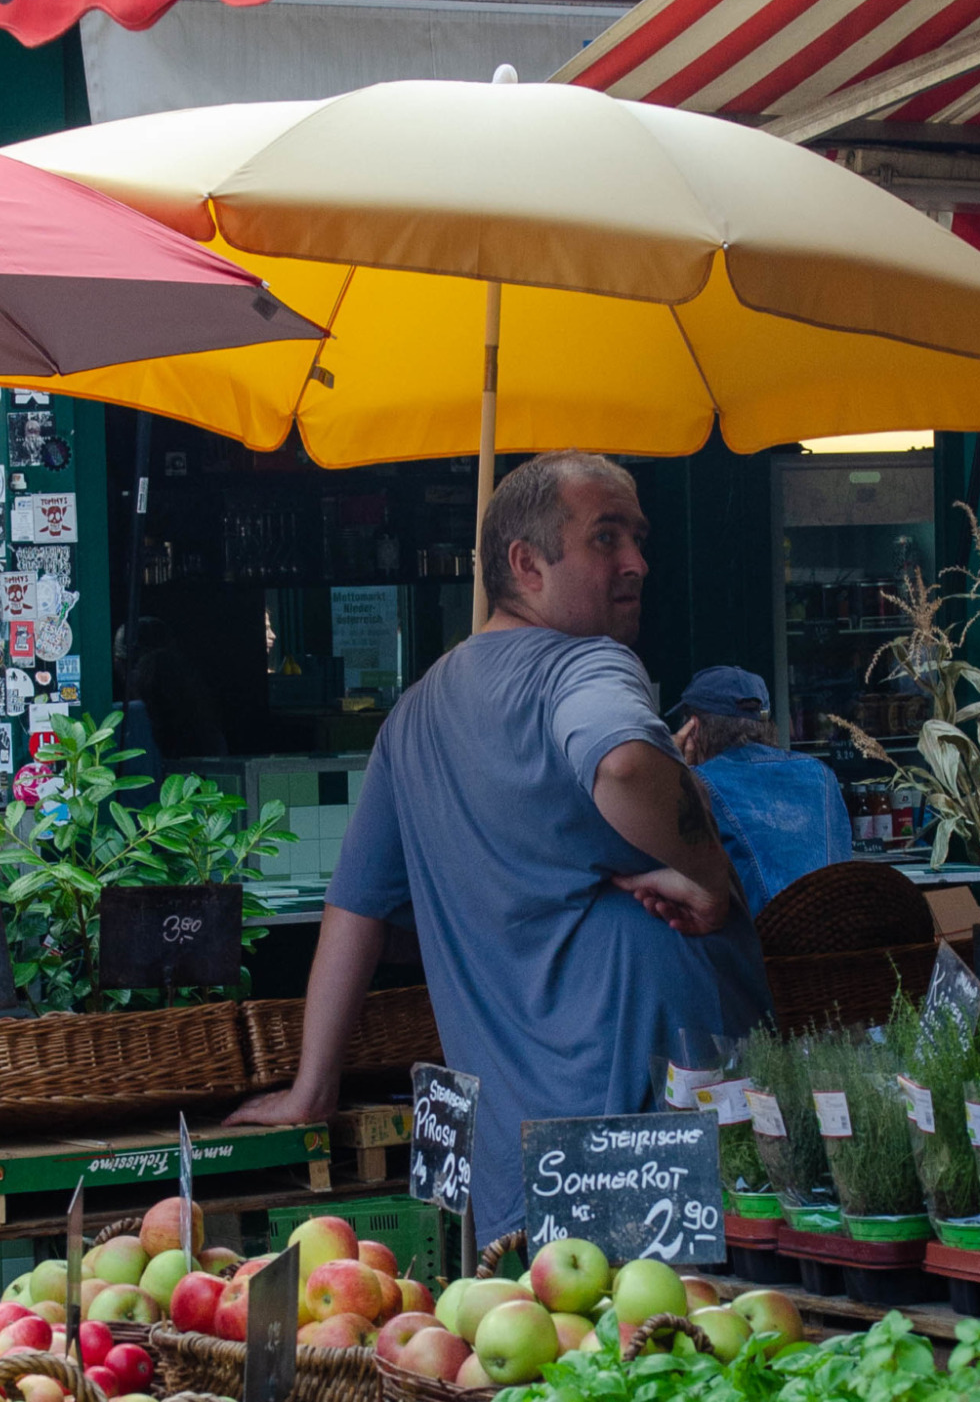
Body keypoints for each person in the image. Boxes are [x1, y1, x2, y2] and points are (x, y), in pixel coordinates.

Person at [227, 450, 772, 1236]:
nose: (638, 563)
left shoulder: (411, 716)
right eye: (606, 538)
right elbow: (620, 762)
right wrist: (710, 875)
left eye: (639, 538)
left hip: (526, 1166)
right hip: (655, 1142)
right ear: (524, 562)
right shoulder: (585, 665)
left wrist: (313, 1086)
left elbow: (353, 911)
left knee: (562, 1352)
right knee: (689, 1350)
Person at [672, 666, 853, 915]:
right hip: (836, 935)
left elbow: (670, 866)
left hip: (760, 944)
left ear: (694, 727)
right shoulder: (821, 773)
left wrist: (674, 772)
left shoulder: (700, 783)